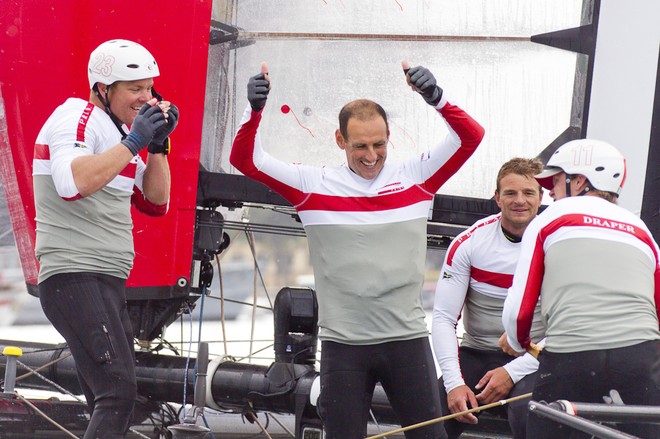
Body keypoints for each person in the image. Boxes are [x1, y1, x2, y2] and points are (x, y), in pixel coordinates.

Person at [230, 61, 485, 439]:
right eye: (360, 145)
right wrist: (253, 112)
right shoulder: (311, 185)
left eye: (379, 144)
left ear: (389, 138)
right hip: (344, 347)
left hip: (407, 343)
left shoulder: (416, 177)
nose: (371, 155)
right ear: (339, 140)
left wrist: (436, 97)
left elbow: (470, 137)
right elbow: (245, 160)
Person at [33, 39, 179, 438]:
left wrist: (158, 146)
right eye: (134, 89)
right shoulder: (75, 117)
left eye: (150, 88)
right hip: (73, 275)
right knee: (118, 392)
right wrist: (133, 141)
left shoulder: (117, 131)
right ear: (102, 88)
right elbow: (72, 183)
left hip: (106, 278)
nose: (146, 98)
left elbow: (156, 202)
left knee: (106, 396)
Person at [501, 139, 660, 439]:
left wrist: (519, 341)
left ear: (581, 181)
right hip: (640, 358)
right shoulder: (642, 230)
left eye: (556, 180)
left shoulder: (548, 219)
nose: (549, 190)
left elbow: (519, 309)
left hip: (572, 356)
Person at [431, 157, 545, 438]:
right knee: (433, 412)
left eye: (528, 193)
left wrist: (513, 372)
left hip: (534, 358)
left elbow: (569, 327)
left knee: (528, 414)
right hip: (476, 352)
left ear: (541, 197)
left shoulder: (557, 243)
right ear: (497, 198)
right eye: (510, 193)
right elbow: (444, 319)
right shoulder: (469, 243)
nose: (520, 200)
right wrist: (455, 384)